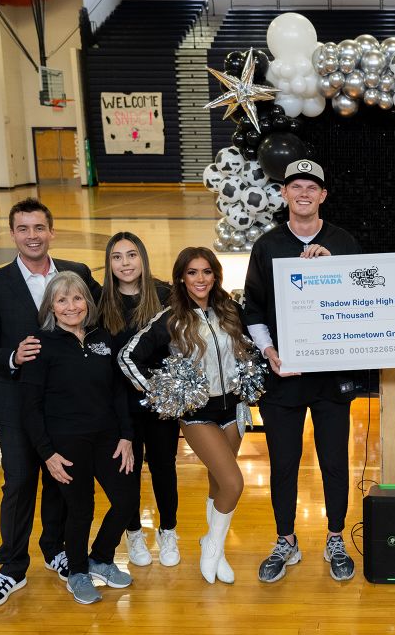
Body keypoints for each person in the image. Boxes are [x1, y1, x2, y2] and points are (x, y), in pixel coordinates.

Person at [0, 198, 101, 609]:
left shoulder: (76, 274)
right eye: (23, 229)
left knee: (61, 480)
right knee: (21, 480)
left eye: (39, 228)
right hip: (16, 400)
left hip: (66, 407)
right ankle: (11, 567)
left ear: (51, 231)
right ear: (13, 234)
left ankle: (55, 548)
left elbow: (106, 318)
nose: (32, 236)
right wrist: (11, 356)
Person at [241, 159, 364, 583]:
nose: (304, 193)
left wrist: (332, 270)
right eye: (296, 186)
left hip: (330, 376)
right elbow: (252, 307)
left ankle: (334, 538)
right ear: (284, 194)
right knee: (284, 463)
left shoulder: (344, 242)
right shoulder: (268, 245)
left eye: (312, 186)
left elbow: (363, 301)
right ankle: (286, 540)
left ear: (323, 195)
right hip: (284, 376)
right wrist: (269, 350)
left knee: (334, 461)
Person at [120, 247, 256, 584]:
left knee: (217, 484)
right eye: (192, 272)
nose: (200, 279)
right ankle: (211, 546)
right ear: (181, 277)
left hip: (234, 409)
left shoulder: (230, 310)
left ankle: (217, 548)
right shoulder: (171, 317)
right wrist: (159, 392)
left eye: (206, 272)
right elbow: (127, 357)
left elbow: (252, 348)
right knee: (233, 483)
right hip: (198, 414)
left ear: (215, 275)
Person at [21, 273, 135, 605]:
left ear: (87, 301)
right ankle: (78, 573)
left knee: (126, 501)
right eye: (62, 300)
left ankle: (101, 558)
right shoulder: (40, 344)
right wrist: (47, 453)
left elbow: (118, 391)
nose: (71, 306)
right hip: (66, 442)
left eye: (77, 298)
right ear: (51, 308)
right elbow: (31, 407)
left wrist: (126, 436)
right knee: (80, 510)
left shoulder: (103, 337)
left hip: (108, 437)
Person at [98, 232, 180, 567]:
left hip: (160, 403)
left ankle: (168, 532)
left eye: (132, 255)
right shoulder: (101, 302)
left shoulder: (165, 295)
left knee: (164, 468)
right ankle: (133, 534)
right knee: (126, 472)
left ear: (143, 258)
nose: (125, 263)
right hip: (120, 407)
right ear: (109, 263)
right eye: (117, 257)